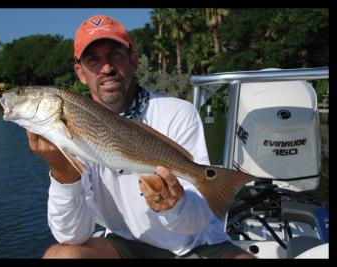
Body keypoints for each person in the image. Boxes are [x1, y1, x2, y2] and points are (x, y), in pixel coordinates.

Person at [26, 14, 255, 259]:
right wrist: (63, 173)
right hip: (125, 244)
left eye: (115, 55)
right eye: (94, 60)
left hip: (195, 243)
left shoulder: (177, 112)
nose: (107, 68)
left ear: (133, 61)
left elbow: (197, 222)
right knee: (61, 255)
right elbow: (71, 236)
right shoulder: (68, 130)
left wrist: (173, 207)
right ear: (81, 73)